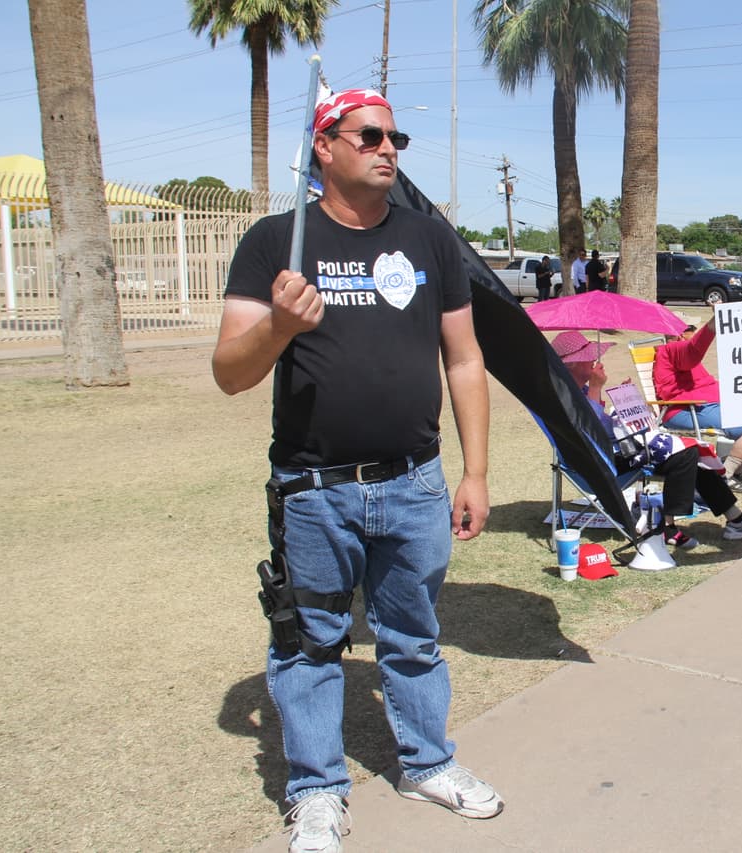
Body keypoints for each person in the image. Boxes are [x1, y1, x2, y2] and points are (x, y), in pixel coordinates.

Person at [211, 88, 503, 853]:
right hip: (315, 492)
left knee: (413, 634)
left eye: (395, 136)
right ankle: (314, 791)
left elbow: (465, 360)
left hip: (415, 484)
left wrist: (474, 472)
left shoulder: (431, 241)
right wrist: (280, 323)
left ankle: (427, 762)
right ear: (324, 146)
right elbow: (229, 373)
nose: (388, 147)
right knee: (309, 644)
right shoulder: (276, 242)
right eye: (369, 134)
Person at [550, 330, 742, 549]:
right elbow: (590, 431)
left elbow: (603, 424)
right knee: (686, 454)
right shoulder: (562, 395)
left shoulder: (581, 389)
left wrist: (628, 403)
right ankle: (667, 527)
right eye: (588, 358)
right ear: (572, 364)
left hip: (615, 451)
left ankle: (734, 520)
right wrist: (598, 388)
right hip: (594, 464)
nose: (594, 361)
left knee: (692, 453)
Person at [653, 315, 742, 492]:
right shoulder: (672, 350)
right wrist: (712, 325)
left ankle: (739, 470)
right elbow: (693, 350)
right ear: (676, 333)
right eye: (688, 329)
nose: (692, 333)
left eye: (692, 329)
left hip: (702, 405)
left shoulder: (678, 352)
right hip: (685, 409)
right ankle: (725, 473)